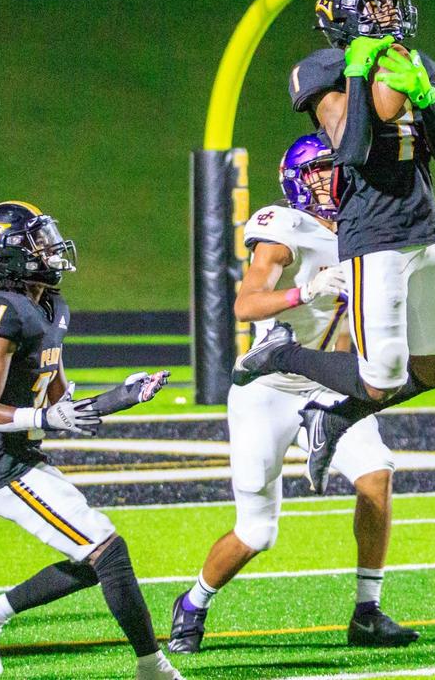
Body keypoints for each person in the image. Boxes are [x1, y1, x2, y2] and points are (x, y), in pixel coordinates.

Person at [168, 136, 418, 652]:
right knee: (257, 532)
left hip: (330, 382)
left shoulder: (364, 225)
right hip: (270, 388)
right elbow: (245, 304)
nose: (330, 179)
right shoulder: (284, 227)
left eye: (336, 168)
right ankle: (193, 602)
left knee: (376, 478)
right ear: (295, 179)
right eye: (319, 170)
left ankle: (367, 611)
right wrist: (307, 290)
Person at [233, 0, 435, 495]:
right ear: (344, 14)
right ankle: (280, 354)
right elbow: (353, 147)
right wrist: (360, 73)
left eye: (391, 3)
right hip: (373, 235)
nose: (389, 15)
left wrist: (427, 100)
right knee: (380, 377)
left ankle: (333, 417)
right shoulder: (323, 68)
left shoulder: (416, 62)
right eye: (375, 5)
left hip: (424, 229)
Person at [0, 201, 180, 678]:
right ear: (10, 253)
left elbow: (61, 403)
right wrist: (47, 417)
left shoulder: (51, 307)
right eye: (38, 239)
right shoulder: (0, 311)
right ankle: (153, 667)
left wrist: (125, 395)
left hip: (24, 457)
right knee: (107, 550)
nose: (51, 246)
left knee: (98, 554)